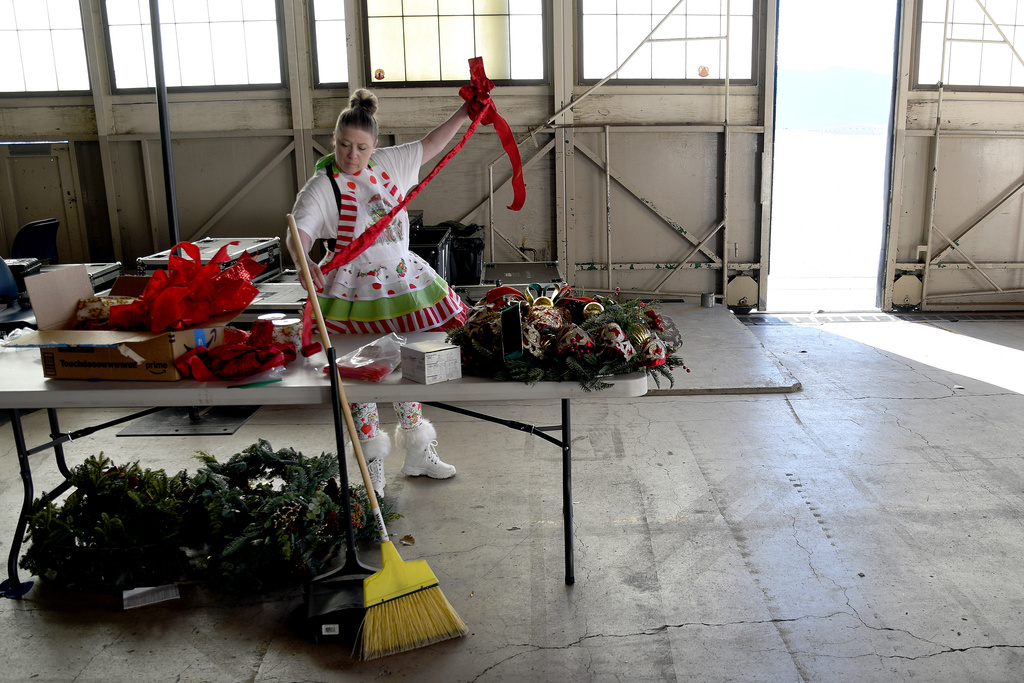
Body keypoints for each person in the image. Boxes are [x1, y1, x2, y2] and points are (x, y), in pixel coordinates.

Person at [286, 89, 471, 499]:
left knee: (409, 367)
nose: (352, 155)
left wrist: (464, 112)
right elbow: (298, 227)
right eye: (344, 146)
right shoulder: (323, 185)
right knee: (360, 373)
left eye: (362, 147)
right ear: (333, 141)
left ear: (374, 145)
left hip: (405, 282)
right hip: (352, 292)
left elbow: (431, 145)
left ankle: (418, 451)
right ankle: (373, 463)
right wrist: (304, 261)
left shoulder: (388, 164)